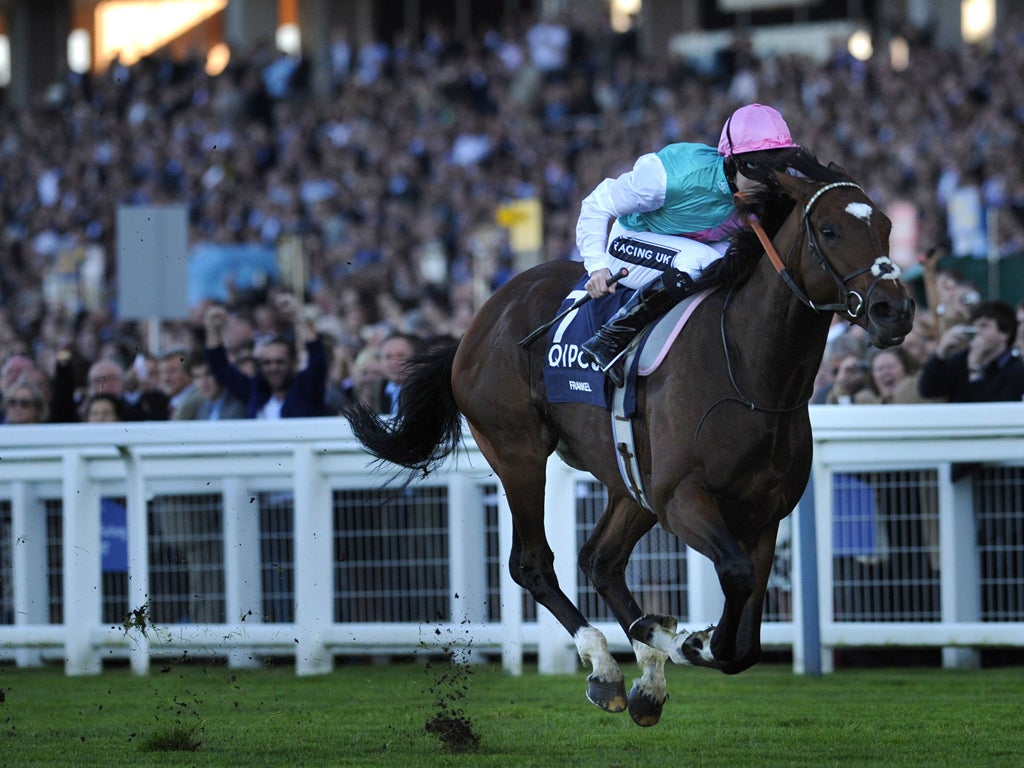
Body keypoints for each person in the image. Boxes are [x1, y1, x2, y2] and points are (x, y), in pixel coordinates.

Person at [575, 103, 810, 385]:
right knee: (703, 262)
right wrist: (597, 267)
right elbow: (597, 203)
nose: (768, 182)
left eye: (777, 167)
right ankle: (611, 338)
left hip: (687, 244)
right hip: (630, 242)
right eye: (761, 169)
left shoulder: (766, 190)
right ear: (733, 162)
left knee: (745, 266)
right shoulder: (670, 178)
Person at [203, 292, 327, 419]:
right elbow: (219, 367)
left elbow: (318, 360)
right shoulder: (255, 390)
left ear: (293, 363)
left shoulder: (307, 388)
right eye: (267, 363)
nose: (273, 368)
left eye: (280, 362)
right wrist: (212, 330)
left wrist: (298, 315)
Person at [918, 300, 1024, 402]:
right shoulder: (960, 360)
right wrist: (940, 352)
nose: (977, 331)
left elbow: (990, 408)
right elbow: (928, 390)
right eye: (974, 326)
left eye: (984, 326)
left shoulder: (1016, 369)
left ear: (1004, 333)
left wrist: (975, 369)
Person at [377, 332, 425, 418]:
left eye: (401, 356)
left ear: (415, 358)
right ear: (380, 361)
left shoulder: (425, 390)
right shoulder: (376, 389)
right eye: (388, 357)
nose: (394, 362)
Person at [159, 348, 204, 420]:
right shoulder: (167, 402)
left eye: (172, 371)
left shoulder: (199, 401)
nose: (165, 378)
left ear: (188, 372)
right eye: (162, 372)